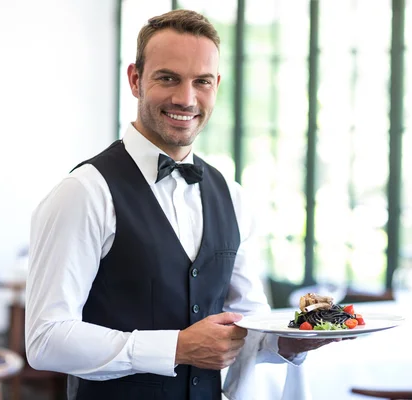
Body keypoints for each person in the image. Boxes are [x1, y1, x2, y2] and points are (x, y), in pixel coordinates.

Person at [25, 9, 337, 400]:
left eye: (201, 82)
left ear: (216, 86)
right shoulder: (84, 192)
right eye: (168, 78)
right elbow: (45, 338)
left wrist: (292, 343)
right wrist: (176, 347)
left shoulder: (234, 196)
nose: (185, 98)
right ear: (136, 80)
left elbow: (249, 326)